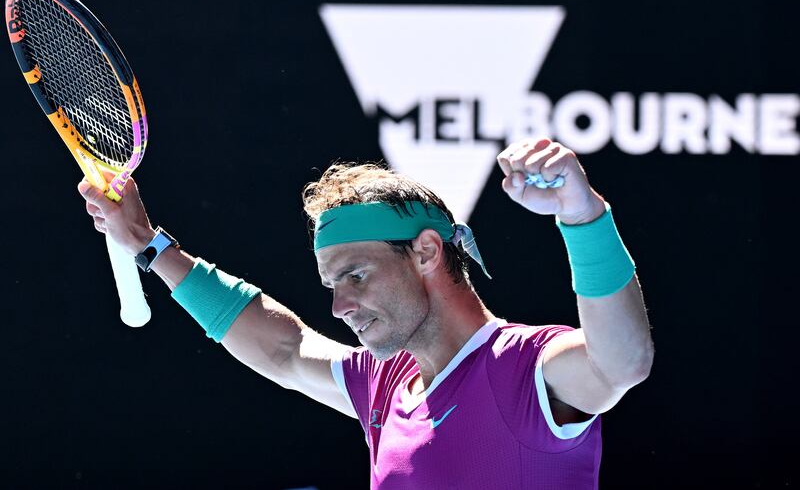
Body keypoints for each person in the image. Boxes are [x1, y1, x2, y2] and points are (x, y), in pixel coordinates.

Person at [78, 137, 654, 489]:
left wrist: (583, 216)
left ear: (427, 251)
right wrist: (150, 247)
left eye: (356, 276)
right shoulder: (385, 384)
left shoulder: (527, 369)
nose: (340, 306)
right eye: (331, 284)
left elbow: (622, 362)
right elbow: (283, 348)